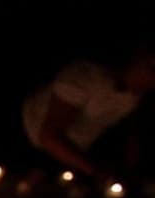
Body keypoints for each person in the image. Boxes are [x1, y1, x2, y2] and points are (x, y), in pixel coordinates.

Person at [21, 43, 155, 180]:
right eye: (151, 68)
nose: (152, 79)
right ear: (137, 58)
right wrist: (95, 171)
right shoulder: (86, 78)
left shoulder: (136, 98)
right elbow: (49, 136)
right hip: (27, 142)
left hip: (70, 157)